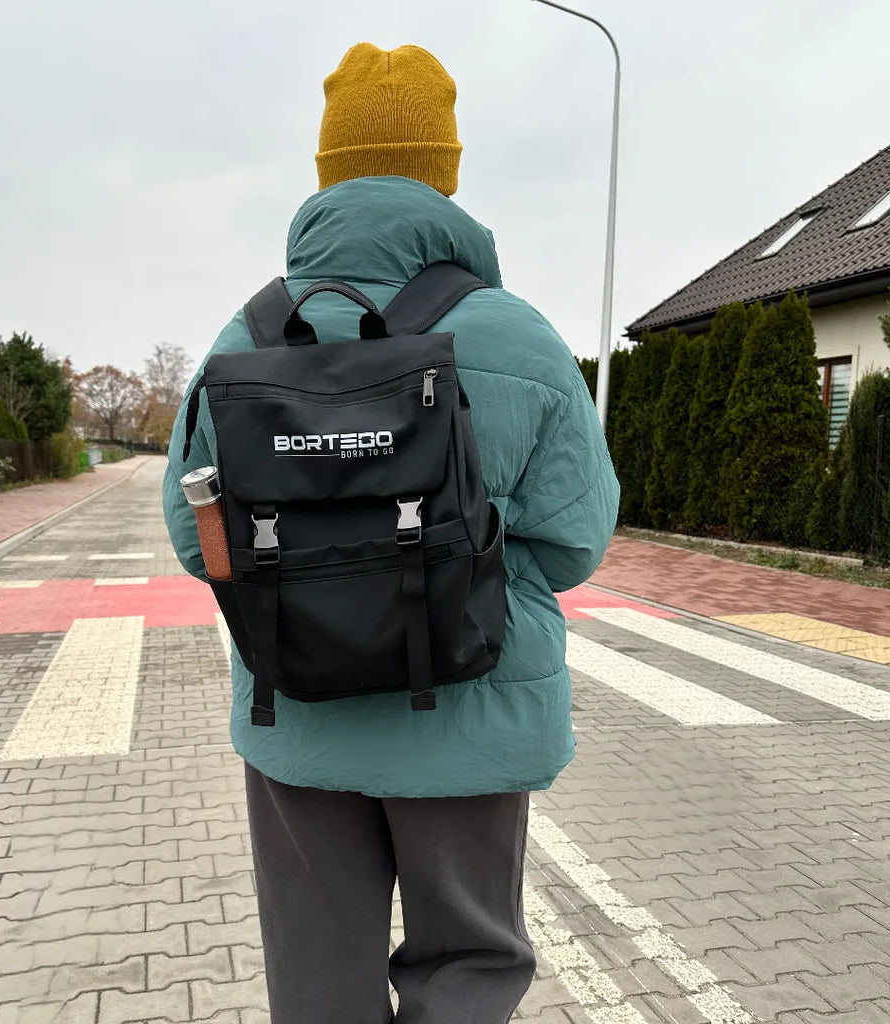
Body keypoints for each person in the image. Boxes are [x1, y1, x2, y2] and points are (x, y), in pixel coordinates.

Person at [163, 41, 619, 1024]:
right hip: (470, 705)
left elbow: (193, 538)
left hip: (298, 709)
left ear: (327, 173)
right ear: (444, 173)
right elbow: (577, 541)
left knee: (316, 983)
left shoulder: (244, 339)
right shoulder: (519, 336)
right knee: (468, 965)